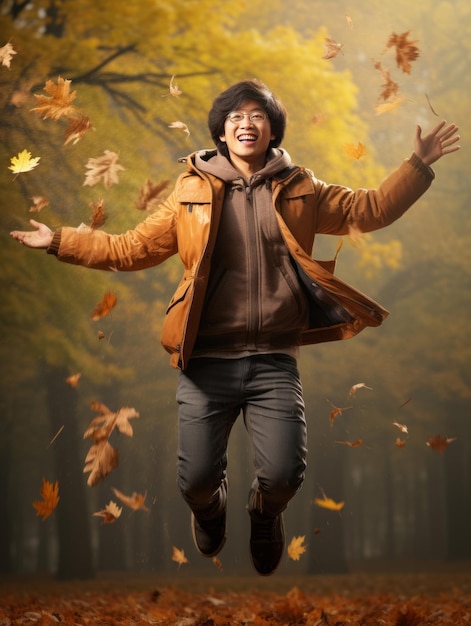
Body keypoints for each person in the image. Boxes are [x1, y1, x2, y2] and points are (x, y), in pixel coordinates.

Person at [10, 79, 460, 576]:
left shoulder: (301, 188)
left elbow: (370, 209)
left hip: (273, 361)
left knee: (285, 475)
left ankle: (264, 515)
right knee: (196, 480)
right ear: (222, 132)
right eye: (236, 117)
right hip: (204, 361)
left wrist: (418, 165)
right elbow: (129, 249)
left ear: (272, 130)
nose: (247, 124)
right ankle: (211, 508)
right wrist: (60, 240)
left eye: (258, 116)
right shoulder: (189, 192)